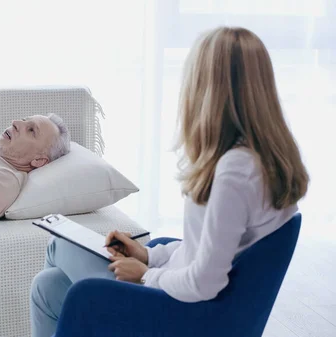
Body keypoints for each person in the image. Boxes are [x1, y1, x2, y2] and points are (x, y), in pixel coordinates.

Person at [29, 26, 309, 337]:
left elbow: (205, 282)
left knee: (59, 247)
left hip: (181, 315)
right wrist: (148, 254)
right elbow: (210, 248)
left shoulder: (233, 172)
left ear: (205, 89)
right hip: (187, 302)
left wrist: (146, 275)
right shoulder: (261, 159)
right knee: (48, 287)